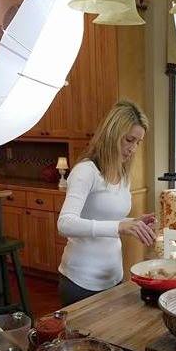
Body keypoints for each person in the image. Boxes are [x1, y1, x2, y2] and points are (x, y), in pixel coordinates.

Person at [57, 100, 156, 305]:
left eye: (138, 142)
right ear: (112, 134)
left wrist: (133, 222)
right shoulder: (86, 171)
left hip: (113, 278)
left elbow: (108, 218)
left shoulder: (123, 174)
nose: (133, 148)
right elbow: (65, 223)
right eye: (129, 140)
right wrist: (119, 226)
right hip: (82, 282)